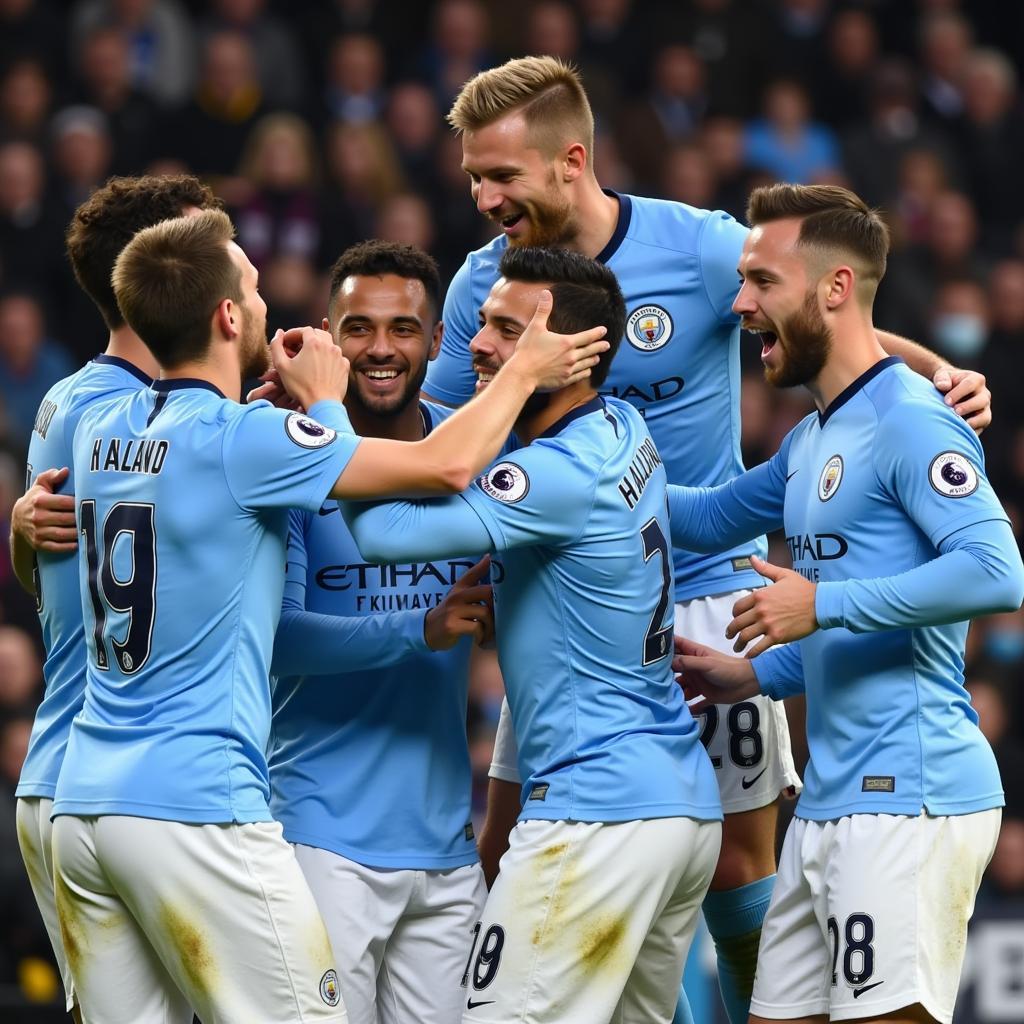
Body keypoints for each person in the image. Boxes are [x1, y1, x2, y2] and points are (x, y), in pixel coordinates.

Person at [421, 55, 993, 1024]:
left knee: (731, 858)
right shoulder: (485, 286)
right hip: (568, 598)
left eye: (500, 175)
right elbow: (440, 445)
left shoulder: (698, 247)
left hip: (709, 593)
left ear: (569, 161)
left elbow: (814, 301)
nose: (482, 198)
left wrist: (940, 369)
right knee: (506, 840)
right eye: (472, 175)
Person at [48, 208, 607, 1024]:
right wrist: (523, 371)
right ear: (229, 317)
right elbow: (444, 466)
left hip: (88, 800)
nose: (270, 304)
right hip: (205, 801)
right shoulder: (255, 443)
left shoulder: (101, 429)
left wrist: (29, 531)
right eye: (253, 287)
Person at [667, 183, 1024, 1024]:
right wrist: (581, 445)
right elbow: (705, 516)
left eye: (761, 282)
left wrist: (823, 606)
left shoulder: (912, 421)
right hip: (830, 800)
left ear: (834, 289)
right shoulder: (815, 435)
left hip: (913, 791)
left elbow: (996, 571)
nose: (740, 303)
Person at [344, 245, 722, 1024]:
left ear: (574, 355)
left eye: (509, 332)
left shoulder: (552, 474)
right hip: (678, 805)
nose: (479, 345)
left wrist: (322, 411)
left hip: (593, 814)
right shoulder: (623, 424)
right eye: (484, 322)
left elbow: (379, 529)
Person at [8, 173, 220, 1022]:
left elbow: (63, 578)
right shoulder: (143, 415)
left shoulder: (77, 398)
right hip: (120, 780)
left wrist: (22, 540)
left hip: (75, 773)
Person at [269, 241, 490, 1024]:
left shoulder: (470, 462)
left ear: (436, 342)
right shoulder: (287, 463)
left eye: (403, 329)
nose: (381, 349)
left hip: (445, 845)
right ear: (328, 337)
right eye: (358, 328)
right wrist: (419, 628)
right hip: (321, 837)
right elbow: (278, 640)